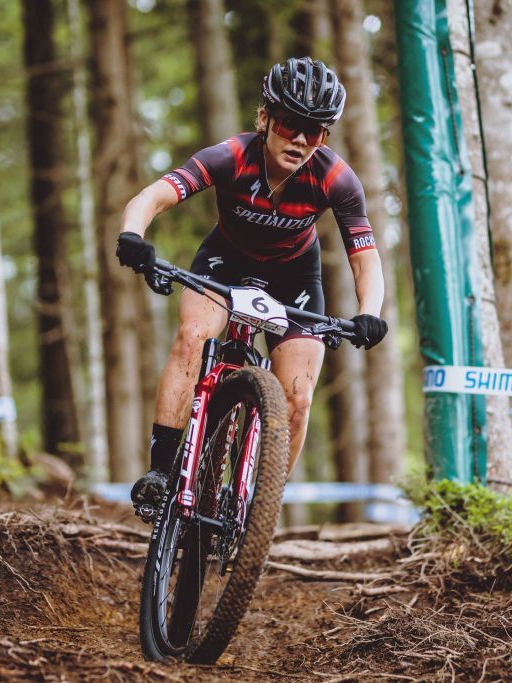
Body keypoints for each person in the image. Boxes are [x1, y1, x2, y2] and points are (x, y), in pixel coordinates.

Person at [115, 57, 388, 511]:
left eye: (315, 130)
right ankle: (162, 470)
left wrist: (370, 313)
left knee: (297, 397)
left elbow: (365, 258)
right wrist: (132, 235)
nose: (300, 139)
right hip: (225, 260)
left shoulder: (336, 178)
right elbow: (154, 197)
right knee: (192, 338)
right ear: (264, 118)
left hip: (296, 275)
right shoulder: (231, 157)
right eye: (288, 123)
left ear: (325, 137)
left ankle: (257, 509)